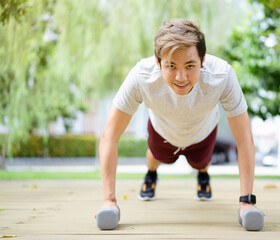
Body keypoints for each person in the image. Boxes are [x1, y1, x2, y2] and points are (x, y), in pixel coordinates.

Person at [96, 19, 264, 231]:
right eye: (171, 66)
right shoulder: (141, 76)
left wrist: (246, 201)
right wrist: (109, 200)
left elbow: (244, 139)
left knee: (202, 162)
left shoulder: (222, 75)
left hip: (202, 132)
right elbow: (110, 136)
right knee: (155, 157)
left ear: (203, 59)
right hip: (163, 132)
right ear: (158, 63)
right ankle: (151, 174)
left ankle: (203, 175)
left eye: (190, 66)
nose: (181, 77)